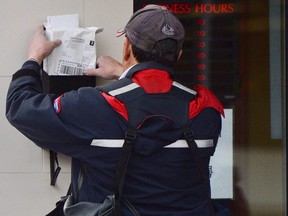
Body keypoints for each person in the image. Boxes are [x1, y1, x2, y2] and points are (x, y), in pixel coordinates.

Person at [6, 4, 224, 216]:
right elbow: (159, 105)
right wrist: (124, 75)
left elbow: (20, 107)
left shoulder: (95, 107)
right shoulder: (207, 112)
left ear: (127, 47)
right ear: (178, 55)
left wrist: (33, 58)